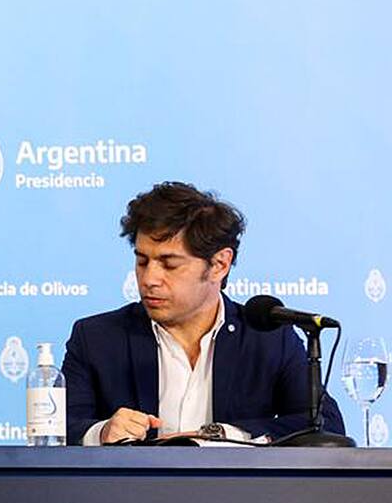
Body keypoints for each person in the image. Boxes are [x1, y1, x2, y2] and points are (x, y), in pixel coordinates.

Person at [61, 181, 344, 445]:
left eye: (169, 264)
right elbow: (57, 428)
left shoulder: (269, 338)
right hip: (129, 497)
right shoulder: (96, 338)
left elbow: (324, 425)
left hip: (238, 497)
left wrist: (221, 435)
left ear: (220, 264)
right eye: (142, 261)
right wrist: (101, 432)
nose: (149, 279)